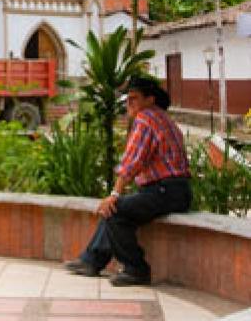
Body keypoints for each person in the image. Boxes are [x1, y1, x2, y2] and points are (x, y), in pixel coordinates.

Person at [65, 73, 192, 286]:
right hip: (175, 191)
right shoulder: (163, 117)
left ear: (150, 99)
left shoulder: (146, 118)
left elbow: (132, 163)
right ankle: (91, 260)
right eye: (128, 99)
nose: (129, 103)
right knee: (116, 208)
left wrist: (114, 194)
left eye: (134, 98)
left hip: (166, 191)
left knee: (116, 211)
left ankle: (136, 269)